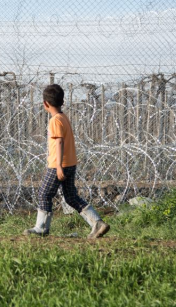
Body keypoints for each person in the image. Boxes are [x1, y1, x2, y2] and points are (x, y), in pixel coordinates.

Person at [24, 84, 110, 239]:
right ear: (62, 102)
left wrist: (58, 166)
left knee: (44, 193)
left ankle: (41, 228)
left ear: (45, 104)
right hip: (70, 163)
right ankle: (97, 223)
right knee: (71, 197)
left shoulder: (55, 121)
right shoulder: (63, 117)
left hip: (59, 164)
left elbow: (59, 143)